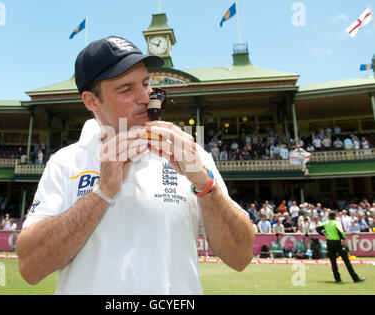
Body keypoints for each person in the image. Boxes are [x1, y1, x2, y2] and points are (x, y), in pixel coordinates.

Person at [15, 36, 254, 295]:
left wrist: (206, 185)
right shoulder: (66, 161)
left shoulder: (191, 154)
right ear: (92, 101)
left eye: (145, 82)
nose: (145, 96)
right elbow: (31, 268)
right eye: (126, 89)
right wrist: (102, 193)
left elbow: (240, 257)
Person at [317, 211, 365, 283]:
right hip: (337, 243)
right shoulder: (336, 223)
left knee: (333, 262)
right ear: (335, 216)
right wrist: (343, 239)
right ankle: (355, 278)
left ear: (329, 216)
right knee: (346, 261)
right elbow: (340, 231)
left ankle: (337, 279)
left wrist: (324, 233)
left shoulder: (326, 223)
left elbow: (318, 229)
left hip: (329, 243)